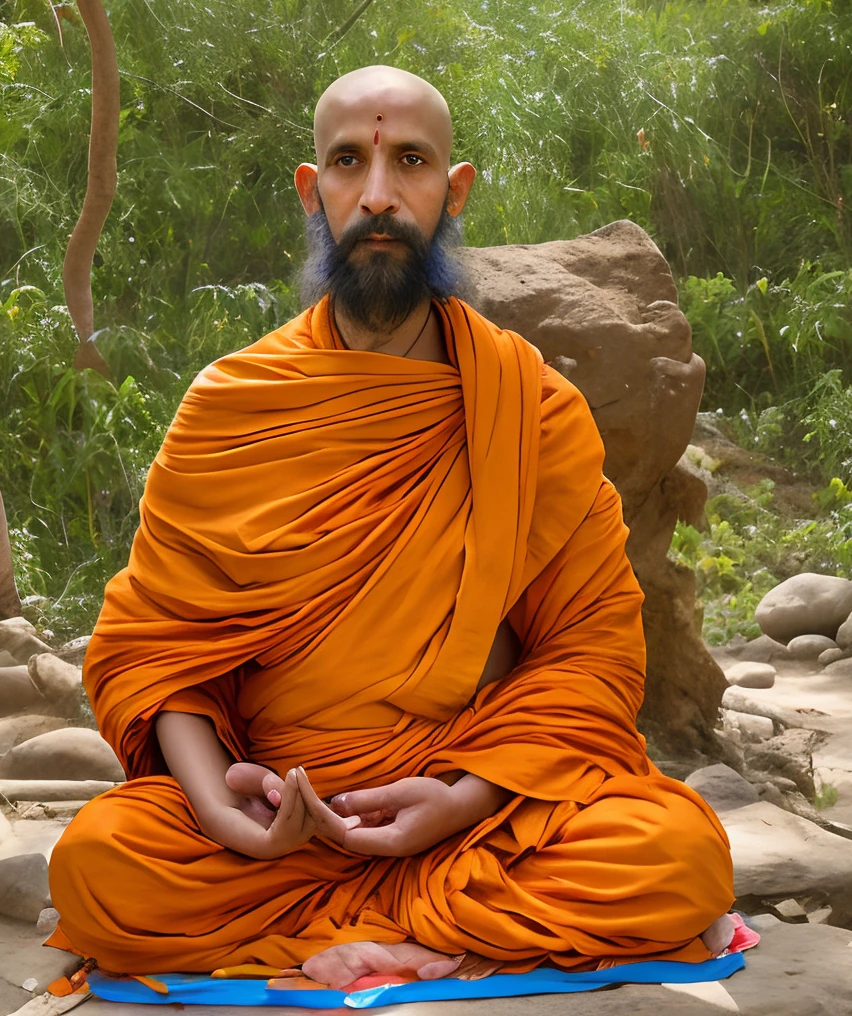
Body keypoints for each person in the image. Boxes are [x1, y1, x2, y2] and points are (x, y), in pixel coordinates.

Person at [46, 64, 736, 987]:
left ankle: (372, 935)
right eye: (348, 162)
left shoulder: (529, 406)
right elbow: (157, 646)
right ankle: (438, 938)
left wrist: (462, 795)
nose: (378, 194)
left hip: (469, 800)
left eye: (408, 160)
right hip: (280, 813)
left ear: (453, 192)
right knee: (100, 863)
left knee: (675, 854)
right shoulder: (232, 406)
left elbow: (589, 650)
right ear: (313, 190)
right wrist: (220, 811)